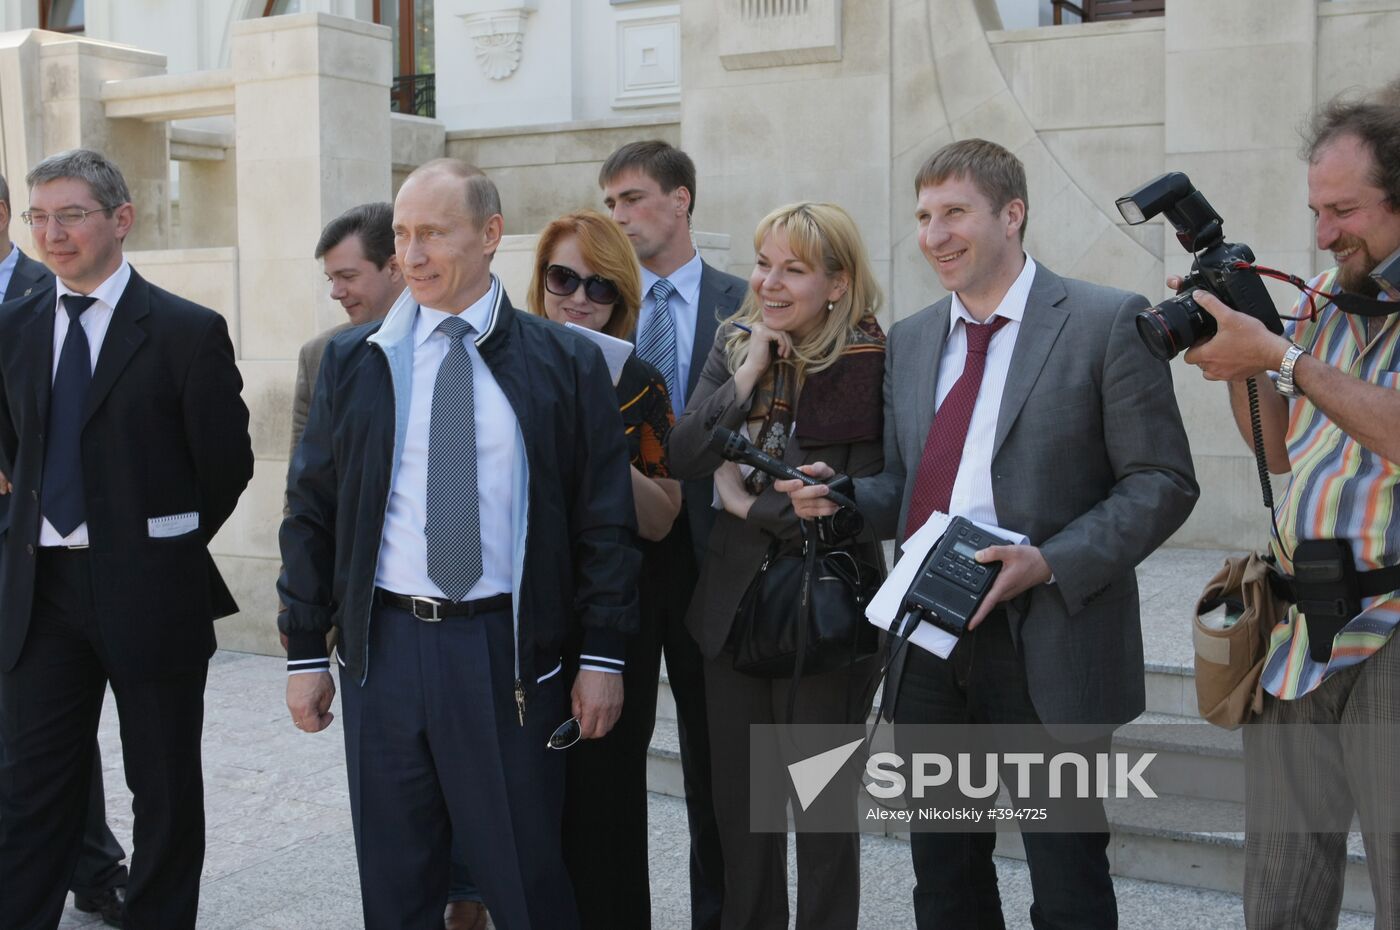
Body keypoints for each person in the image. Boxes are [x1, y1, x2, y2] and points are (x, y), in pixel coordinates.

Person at [781, 139, 1198, 929]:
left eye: (954, 213)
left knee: (1068, 879)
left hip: (1051, 639)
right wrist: (841, 498)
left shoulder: (1108, 321)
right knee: (944, 878)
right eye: (924, 217)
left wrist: (1050, 561)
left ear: (1013, 214)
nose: (934, 235)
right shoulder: (909, 339)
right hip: (931, 642)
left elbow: (1163, 482)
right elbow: (908, 487)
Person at [278, 159, 640, 930]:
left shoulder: (566, 362)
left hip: (505, 655)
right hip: (385, 653)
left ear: (490, 236)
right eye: (403, 235)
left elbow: (603, 523)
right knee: (397, 882)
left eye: (433, 233)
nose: (412, 254)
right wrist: (307, 650)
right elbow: (312, 510)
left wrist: (604, 654)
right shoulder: (355, 360)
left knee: (525, 881)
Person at [0, 148, 254, 929]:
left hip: (151, 590)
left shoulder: (185, 331)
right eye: (40, 217)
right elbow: (16, 446)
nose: (53, 233)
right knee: (29, 787)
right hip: (39, 596)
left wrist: (155, 540)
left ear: (120, 220)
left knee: (165, 788)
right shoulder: (13, 325)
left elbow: (225, 466)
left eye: (71, 214)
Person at [1177, 82, 1400, 927]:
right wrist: (1245, 359)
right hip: (1299, 622)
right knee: (1278, 893)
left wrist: (1285, 355)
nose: (1323, 233)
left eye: (1344, 209)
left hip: (1394, 622)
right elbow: (1277, 448)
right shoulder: (1317, 298)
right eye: (1314, 209)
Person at [667, 201, 887, 930]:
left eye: (794, 269)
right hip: (731, 614)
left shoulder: (870, 357)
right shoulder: (735, 343)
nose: (770, 282)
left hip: (823, 616)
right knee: (742, 818)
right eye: (764, 263)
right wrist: (751, 369)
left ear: (837, 282)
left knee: (821, 820)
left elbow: (861, 491)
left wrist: (741, 502)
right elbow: (686, 455)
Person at [600, 140, 745, 930]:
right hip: (617, 573)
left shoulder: (746, 303)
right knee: (612, 770)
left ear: (681, 199)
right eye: (611, 202)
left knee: (714, 773)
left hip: (715, 572)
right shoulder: (599, 306)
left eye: (632, 198)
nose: (618, 216)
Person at [526, 208, 682, 929]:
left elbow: (662, 514)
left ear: (622, 299)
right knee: (523, 807)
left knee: (606, 804)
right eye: (563, 279)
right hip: (521, 614)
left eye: (600, 287)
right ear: (539, 283)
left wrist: (592, 440)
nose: (579, 299)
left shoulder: (639, 382)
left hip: (617, 611)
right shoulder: (504, 366)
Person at [0, 171, 130, 928]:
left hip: (51, 542)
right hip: (20, 548)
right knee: (26, 730)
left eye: (64, 216)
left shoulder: (41, 289)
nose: (55, 232)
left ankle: (92, 865)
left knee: (49, 725)